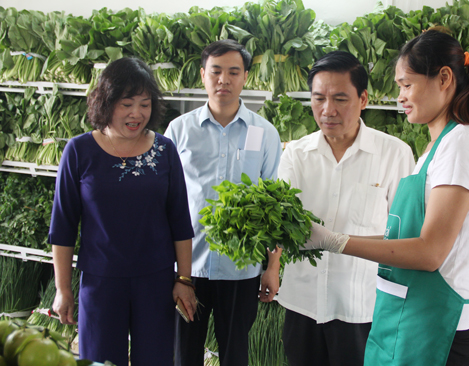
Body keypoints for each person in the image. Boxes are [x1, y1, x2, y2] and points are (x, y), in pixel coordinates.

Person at [303, 29, 469, 366]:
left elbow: (430, 252)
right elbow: (403, 239)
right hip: (411, 317)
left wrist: (335, 241)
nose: (401, 97)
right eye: (398, 87)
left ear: (444, 78)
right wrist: (330, 239)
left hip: (436, 326)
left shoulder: (460, 146)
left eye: (407, 84)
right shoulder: (436, 148)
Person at [49, 57, 197, 365]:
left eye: (144, 104)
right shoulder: (79, 151)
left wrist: (184, 279)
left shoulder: (164, 150)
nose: (136, 114)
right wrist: (63, 288)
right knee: (99, 360)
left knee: (156, 360)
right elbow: (63, 227)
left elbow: (180, 221)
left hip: (155, 281)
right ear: (106, 103)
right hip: (101, 282)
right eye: (126, 103)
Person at [276, 50, 415, 366]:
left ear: (363, 99)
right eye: (318, 98)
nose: (327, 110)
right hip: (302, 304)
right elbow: (281, 222)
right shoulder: (295, 155)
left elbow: (405, 237)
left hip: (362, 307)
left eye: (340, 99)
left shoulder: (395, 155)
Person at [164, 39, 282, 366]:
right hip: (189, 268)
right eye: (215, 71)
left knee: (235, 354)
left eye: (233, 72)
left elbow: (274, 205)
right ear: (203, 75)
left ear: (245, 77)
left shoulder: (265, 133)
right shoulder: (179, 131)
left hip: (241, 270)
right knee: (184, 353)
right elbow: (165, 202)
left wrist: (272, 267)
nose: (223, 80)